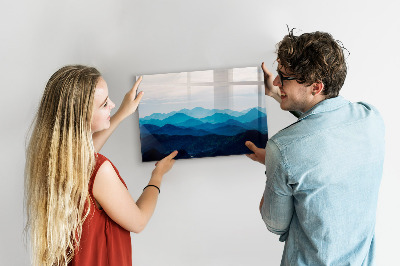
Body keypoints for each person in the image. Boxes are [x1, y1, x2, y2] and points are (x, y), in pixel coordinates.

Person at [245, 30, 385, 265]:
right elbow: (325, 124)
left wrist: (273, 163)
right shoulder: (371, 118)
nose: (277, 81)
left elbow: (275, 224)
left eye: (284, 77)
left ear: (316, 87)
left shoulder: (282, 149)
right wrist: (277, 94)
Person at [24, 65, 178, 266]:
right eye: (105, 104)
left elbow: (86, 157)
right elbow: (138, 221)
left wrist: (122, 113)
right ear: (82, 117)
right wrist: (157, 176)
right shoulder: (100, 170)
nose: (113, 104)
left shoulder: (53, 160)